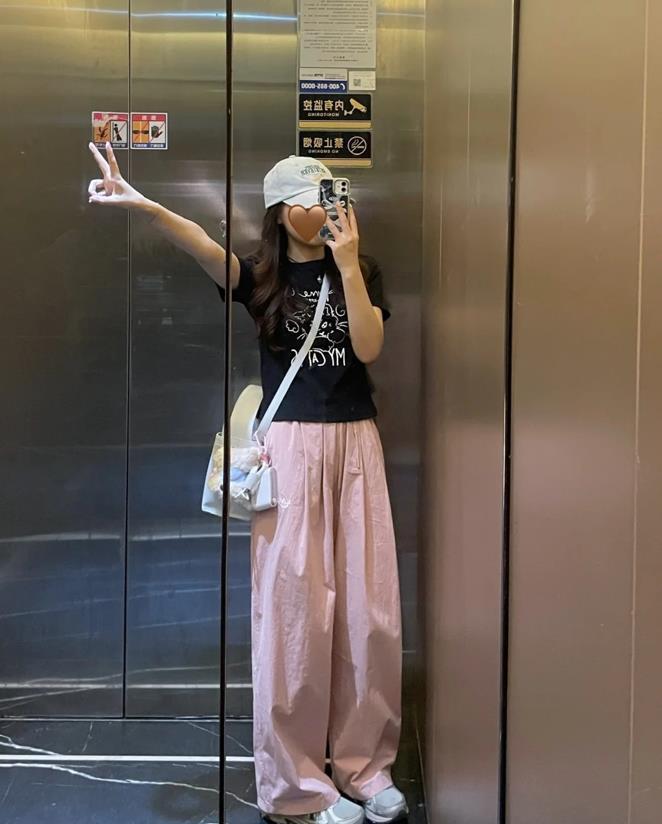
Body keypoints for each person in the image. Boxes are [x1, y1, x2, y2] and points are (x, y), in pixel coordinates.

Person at [88, 144, 407, 824]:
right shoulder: (260, 274)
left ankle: (364, 767)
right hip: (290, 447)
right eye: (310, 201)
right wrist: (145, 204)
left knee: (369, 612)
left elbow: (370, 347)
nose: (325, 211)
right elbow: (203, 246)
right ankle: (297, 787)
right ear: (282, 210)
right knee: (294, 615)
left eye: (331, 198)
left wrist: (350, 264)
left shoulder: (362, 266)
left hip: (357, 442)